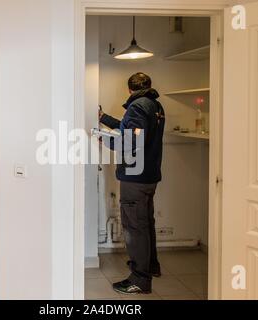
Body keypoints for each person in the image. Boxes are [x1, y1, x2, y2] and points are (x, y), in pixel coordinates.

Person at [99, 72, 165, 295]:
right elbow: (132, 130)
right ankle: (151, 266)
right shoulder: (155, 106)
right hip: (149, 176)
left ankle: (140, 279)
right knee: (145, 223)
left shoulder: (136, 107)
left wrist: (103, 138)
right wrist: (104, 118)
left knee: (135, 228)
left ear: (129, 89)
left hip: (134, 178)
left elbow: (130, 142)